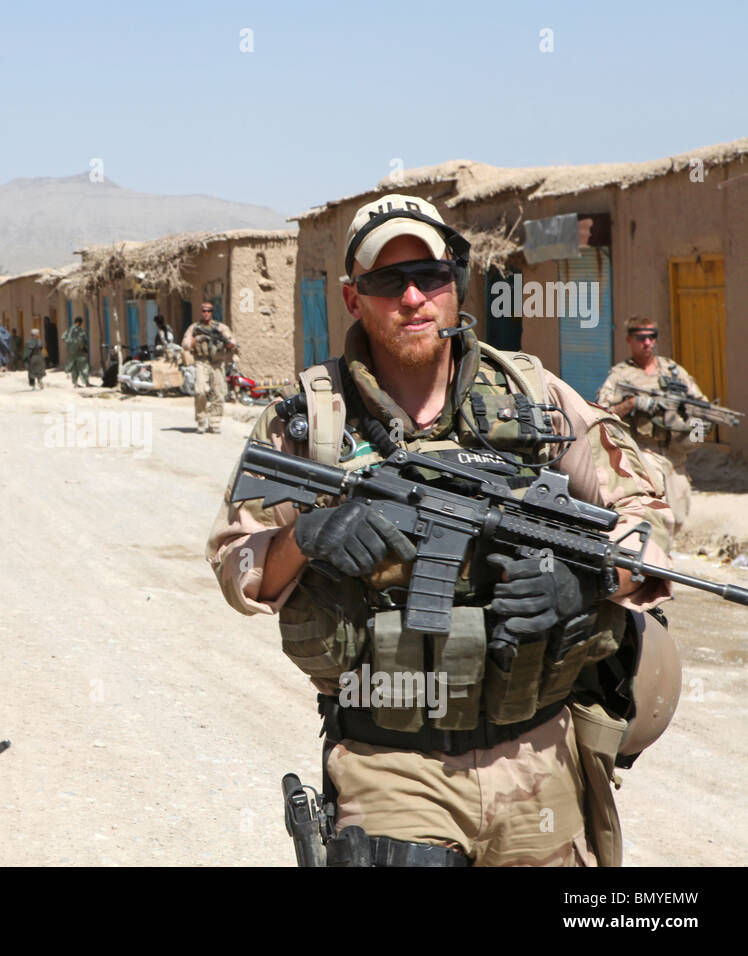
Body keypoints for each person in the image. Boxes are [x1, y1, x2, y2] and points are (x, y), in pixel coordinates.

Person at [207, 194, 676, 867]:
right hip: (388, 763)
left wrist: (589, 578)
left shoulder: (532, 395)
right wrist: (305, 538)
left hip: (537, 752)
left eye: (430, 275)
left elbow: (647, 510)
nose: (413, 297)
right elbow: (235, 564)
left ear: (455, 284)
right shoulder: (312, 420)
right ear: (351, 298)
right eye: (386, 282)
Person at [596, 316, 708, 533]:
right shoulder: (621, 375)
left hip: (675, 455)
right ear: (629, 340)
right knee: (655, 516)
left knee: (679, 518)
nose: (648, 343)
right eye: (641, 338)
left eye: (652, 337)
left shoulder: (672, 371)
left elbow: (700, 403)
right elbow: (603, 412)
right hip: (644, 453)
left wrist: (698, 427)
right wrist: (632, 403)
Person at [182, 302, 237, 433]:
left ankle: (214, 422)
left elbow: (233, 343)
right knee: (200, 390)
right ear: (201, 312)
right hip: (202, 362)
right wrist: (197, 339)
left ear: (212, 312)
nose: (206, 313)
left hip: (217, 363)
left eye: (209, 311)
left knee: (219, 393)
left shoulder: (221, 327)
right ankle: (201, 420)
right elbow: (185, 344)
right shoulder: (195, 328)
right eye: (204, 311)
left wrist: (225, 340)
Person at [62, 317, 90, 387]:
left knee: (74, 368)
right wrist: (84, 347)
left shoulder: (69, 330)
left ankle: (75, 383)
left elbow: (63, 338)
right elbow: (82, 340)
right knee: (84, 367)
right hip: (80, 352)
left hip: (71, 352)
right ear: (79, 322)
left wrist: (69, 345)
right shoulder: (79, 330)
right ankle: (86, 382)